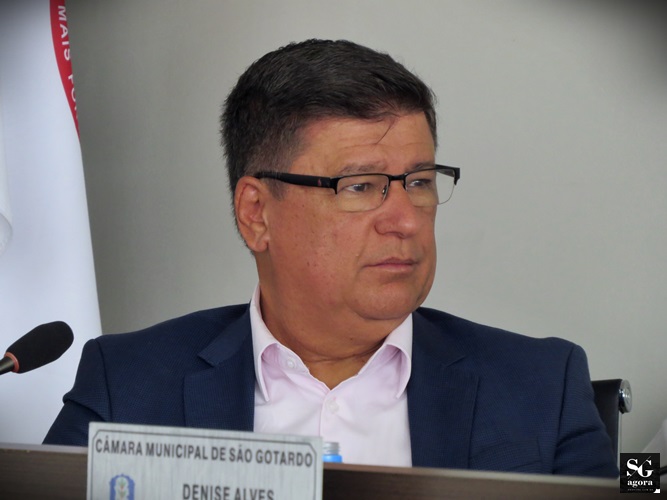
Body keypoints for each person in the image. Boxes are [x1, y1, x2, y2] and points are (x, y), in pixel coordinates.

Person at [44, 39, 617, 477]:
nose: (406, 219)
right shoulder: (130, 384)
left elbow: (639, 485)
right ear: (256, 213)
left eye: (419, 181)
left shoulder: (540, 383)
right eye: (360, 186)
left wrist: (652, 478)